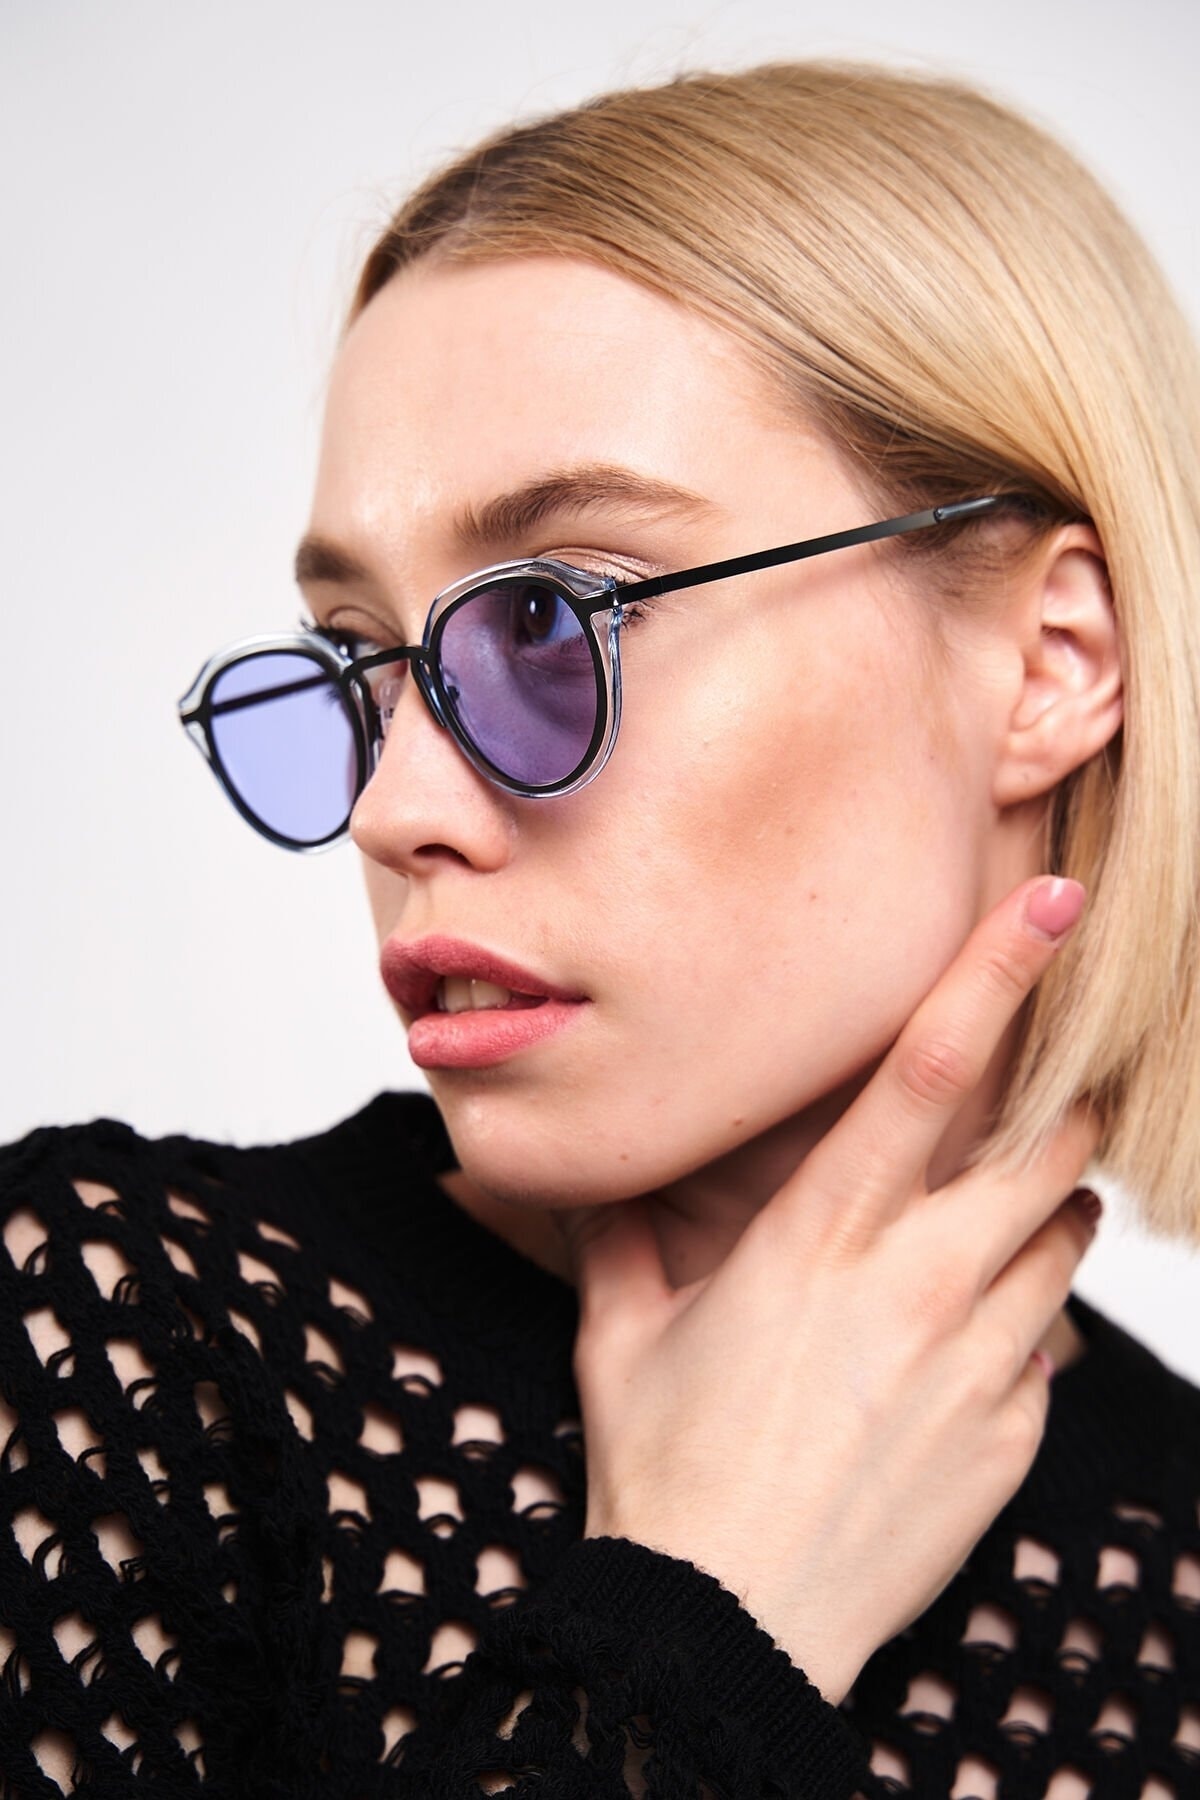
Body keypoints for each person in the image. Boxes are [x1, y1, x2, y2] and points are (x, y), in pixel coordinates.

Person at [2, 58, 1198, 1800]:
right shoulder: (118, 1344)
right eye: (358, 659)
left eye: (552, 625)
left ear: (1052, 663)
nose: (395, 805)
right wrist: (705, 1610)